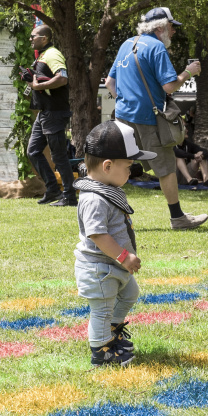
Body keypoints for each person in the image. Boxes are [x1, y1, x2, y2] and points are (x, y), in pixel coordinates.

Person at [106, 7, 207, 230]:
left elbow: (109, 83)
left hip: (122, 117)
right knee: (166, 166)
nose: (173, 32)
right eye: (172, 27)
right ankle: (178, 218)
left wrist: (124, 102)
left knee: (120, 166)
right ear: (160, 27)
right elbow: (169, 85)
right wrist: (188, 72)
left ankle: (111, 218)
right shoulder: (156, 47)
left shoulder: (126, 44)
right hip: (147, 118)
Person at [74, 121, 156, 367]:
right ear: (108, 166)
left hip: (111, 267)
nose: (132, 171)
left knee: (130, 293)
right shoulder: (94, 199)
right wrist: (124, 257)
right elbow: (98, 235)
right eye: (129, 166)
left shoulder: (105, 188)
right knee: (102, 309)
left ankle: (112, 330)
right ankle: (102, 351)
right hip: (99, 268)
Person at [24, 25, 77, 207]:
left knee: (59, 157)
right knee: (33, 151)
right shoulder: (43, 55)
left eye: (33, 36)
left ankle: (70, 196)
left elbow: (62, 78)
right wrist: (31, 79)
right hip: (45, 113)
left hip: (54, 112)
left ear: (44, 38)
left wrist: (38, 86)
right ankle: (53, 189)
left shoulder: (53, 54)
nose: (31, 39)